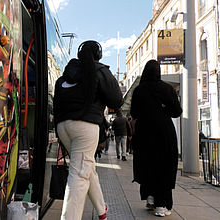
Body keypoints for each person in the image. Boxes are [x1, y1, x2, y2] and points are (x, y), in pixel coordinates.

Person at [53, 40, 123, 220]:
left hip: (63, 127)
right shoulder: (100, 71)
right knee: (79, 174)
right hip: (85, 126)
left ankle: (101, 210)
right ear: (98, 55)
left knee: (86, 167)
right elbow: (116, 100)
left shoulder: (66, 75)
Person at [130, 60, 182, 217]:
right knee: (164, 166)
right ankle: (161, 205)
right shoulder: (167, 88)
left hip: (144, 133)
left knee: (148, 164)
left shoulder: (139, 90)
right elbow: (177, 111)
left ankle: (151, 197)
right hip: (164, 132)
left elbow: (134, 113)